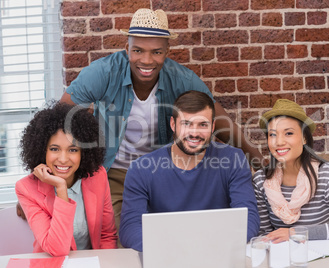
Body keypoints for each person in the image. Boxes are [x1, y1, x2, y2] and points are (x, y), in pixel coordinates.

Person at [58, 8, 264, 233]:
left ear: (167, 51)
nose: (146, 61)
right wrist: (37, 184)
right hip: (116, 170)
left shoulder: (181, 79)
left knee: (172, 232)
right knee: (122, 236)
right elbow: (59, 119)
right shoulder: (104, 72)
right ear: (127, 49)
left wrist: (262, 165)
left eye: (156, 52)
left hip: (162, 170)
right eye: (138, 50)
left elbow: (221, 122)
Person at [119, 91, 260, 251]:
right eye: (187, 124)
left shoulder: (234, 160)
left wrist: (211, 248)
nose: (194, 133)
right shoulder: (141, 169)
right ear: (173, 125)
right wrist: (172, 251)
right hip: (165, 257)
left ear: (213, 126)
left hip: (218, 253)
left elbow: (248, 218)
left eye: (203, 125)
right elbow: (130, 228)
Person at [15, 102, 117, 256]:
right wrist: (61, 188)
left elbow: (107, 235)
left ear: (84, 152)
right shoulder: (26, 188)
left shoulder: (97, 176)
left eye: (73, 150)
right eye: (54, 149)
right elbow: (57, 249)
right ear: (42, 150)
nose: (63, 159)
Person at [253, 99, 329, 243]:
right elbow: (264, 234)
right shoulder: (261, 180)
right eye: (272, 134)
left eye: (289, 133)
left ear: (304, 138)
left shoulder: (328, 175)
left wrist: (295, 233)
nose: (278, 142)